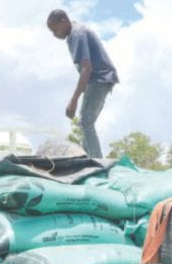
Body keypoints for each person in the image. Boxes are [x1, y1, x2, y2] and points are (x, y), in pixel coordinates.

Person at [46, 9, 119, 158]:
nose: (55, 35)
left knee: (86, 122)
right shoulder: (75, 33)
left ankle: (97, 163)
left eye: (55, 30)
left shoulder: (76, 34)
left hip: (100, 78)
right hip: (99, 79)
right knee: (85, 122)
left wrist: (73, 100)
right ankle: (86, 158)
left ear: (63, 21)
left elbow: (87, 68)